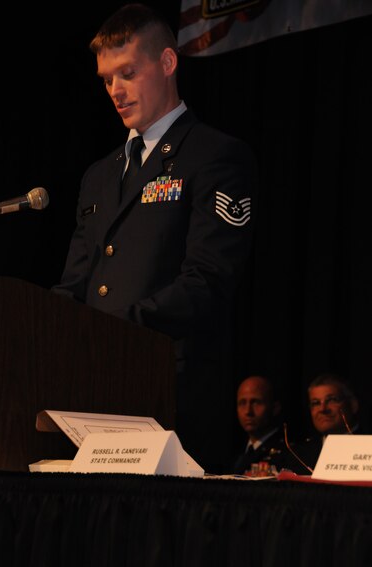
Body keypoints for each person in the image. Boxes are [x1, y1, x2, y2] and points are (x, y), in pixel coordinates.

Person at [52, 3, 258, 473]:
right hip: (91, 400)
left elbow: (208, 281)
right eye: (106, 79)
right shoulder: (99, 175)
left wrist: (113, 331)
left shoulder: (215, 156)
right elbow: (76, 282)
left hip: (171, 398)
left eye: (127, 73)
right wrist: (39, 326)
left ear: (167, 63)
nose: (116, 91)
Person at [292, 373, 362, 474]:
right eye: (316, 403)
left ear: (353, 405)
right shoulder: (298, 455)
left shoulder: (368, 447)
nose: (323, 409)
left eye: (332, 400)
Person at [229, 375, 295, 475]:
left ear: (275, 408)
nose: (248, 411)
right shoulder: (234, 453)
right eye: (242, 403)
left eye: (256, 402)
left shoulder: (289, 453)